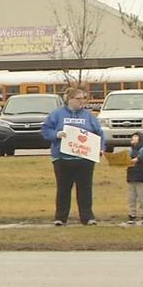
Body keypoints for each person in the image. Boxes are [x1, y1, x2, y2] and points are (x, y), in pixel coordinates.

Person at [40, 87, 105, 226]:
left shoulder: (88, 116)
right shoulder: (57, 114)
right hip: (62, 159)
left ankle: (87, 217)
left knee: (85, 189)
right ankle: (60, 218)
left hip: (84, 159)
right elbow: (45, 129)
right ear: (69, 99)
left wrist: (100, 148)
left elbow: (99, 133)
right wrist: (56, 135)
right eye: (78, 99)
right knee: (63, 188)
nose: (82, 101)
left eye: (83, 98)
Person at [125, 132, 143, 225]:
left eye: (136, 136)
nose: (133, 137)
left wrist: (133, 160)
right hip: (131, 176)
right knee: (131, 197)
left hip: (141, 176)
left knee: (141, 197)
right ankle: (132, 214)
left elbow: (140, 157)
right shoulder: (130, 150)